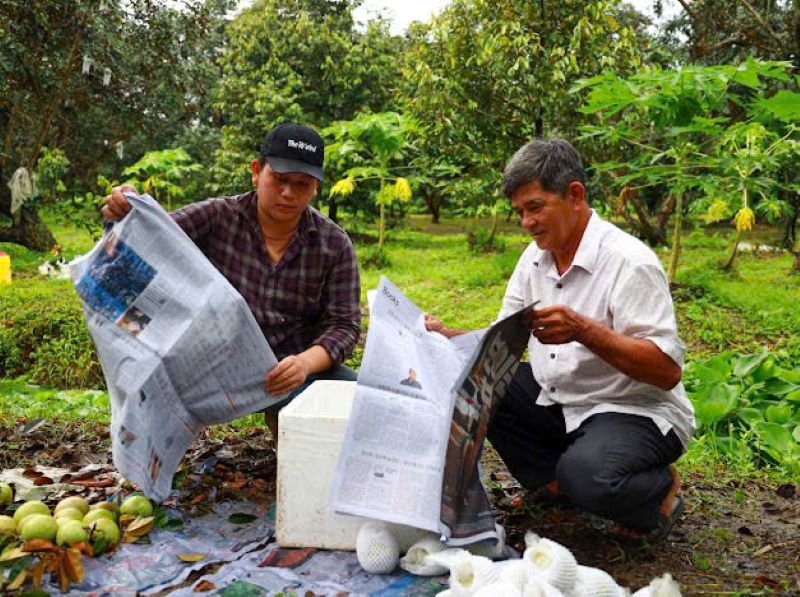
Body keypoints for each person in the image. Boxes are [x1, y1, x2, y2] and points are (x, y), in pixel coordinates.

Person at [425, 139, 695, 542]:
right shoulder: (533, 260)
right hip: (564, 397)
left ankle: (656, 493)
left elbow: (666, 370)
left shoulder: (629, 261)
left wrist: (585, 330)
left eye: (535, 207)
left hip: (632, 407)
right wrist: (451, 337)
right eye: (519, 213)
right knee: (481, 382)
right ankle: (557, 481)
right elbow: (503, 341)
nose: (527, 222)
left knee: (590, 478)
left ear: (574, 195)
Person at [102, 123, 362, 439]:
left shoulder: (333, 244)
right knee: (149, 390)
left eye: (302, 184)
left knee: (366, 408)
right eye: (279, 180)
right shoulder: (218, 216)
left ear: (315, 188)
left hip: (291, 372)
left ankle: (285, 426)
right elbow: (154, 234)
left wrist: (304, 364)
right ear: (256, 171)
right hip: (213, 368)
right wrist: (128, 205)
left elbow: (345, 325)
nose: (288, 193)